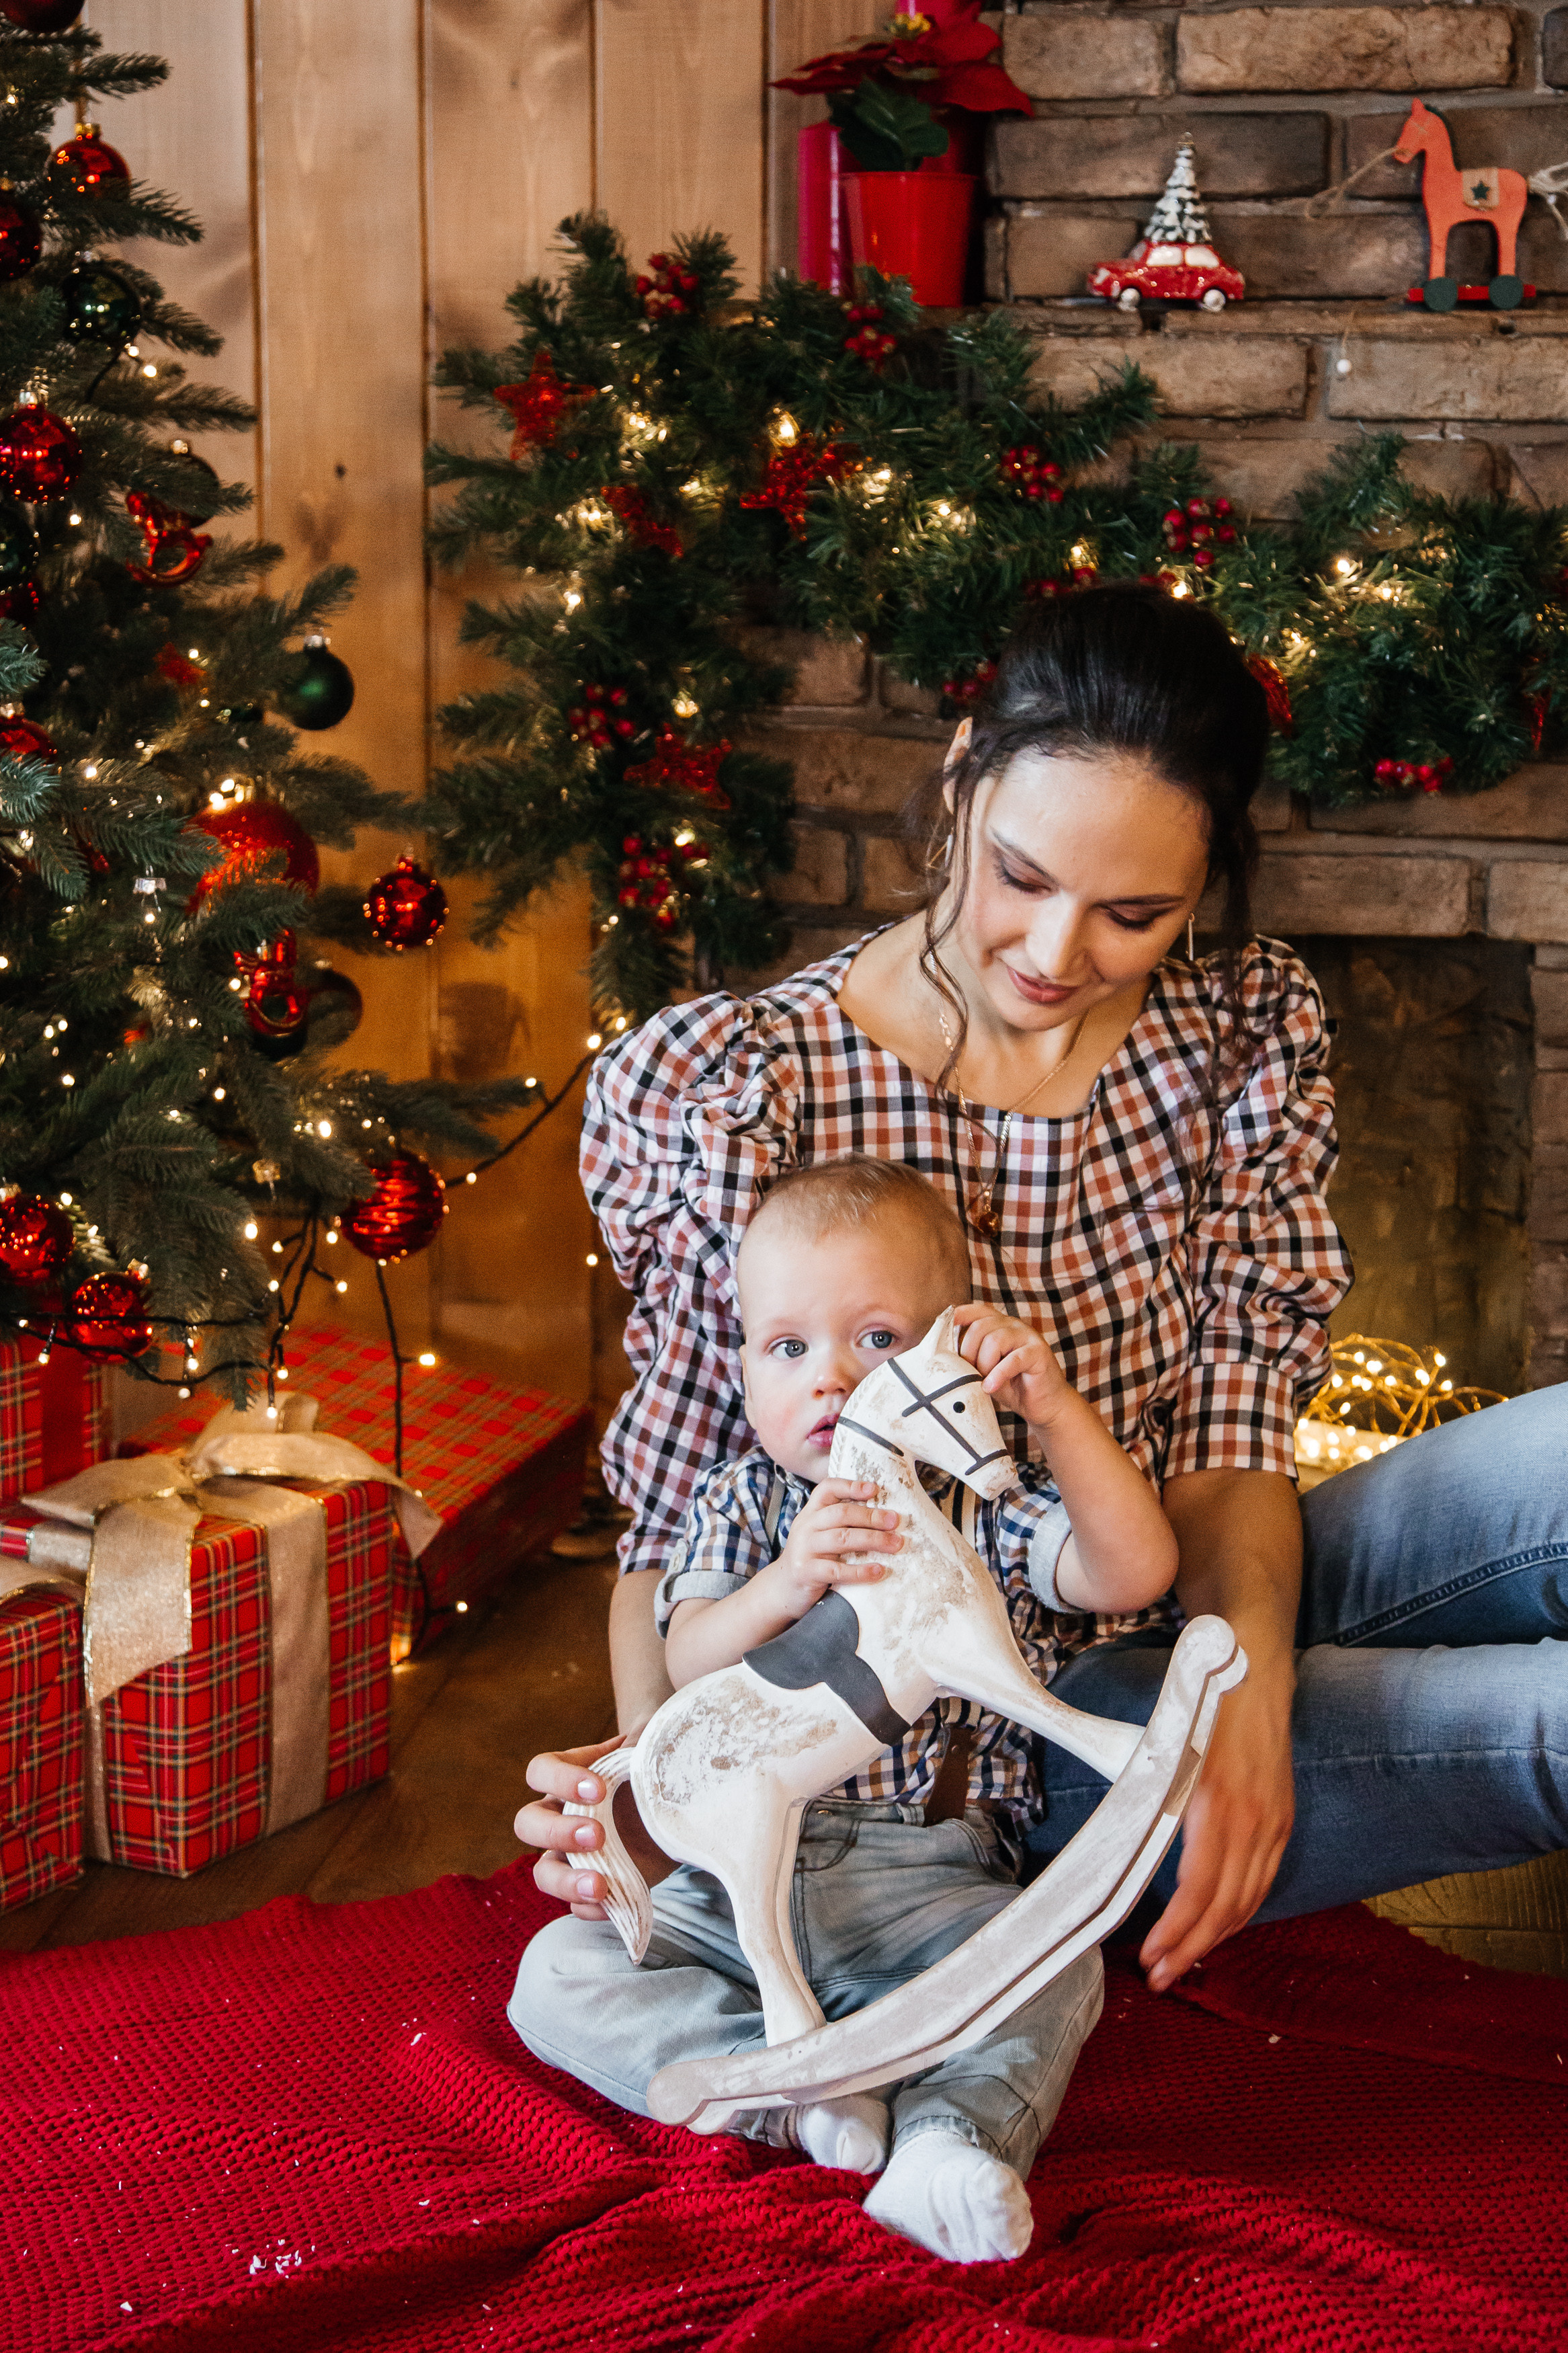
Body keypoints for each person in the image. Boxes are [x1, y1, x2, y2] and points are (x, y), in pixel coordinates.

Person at [519, 583, 1568, 2024]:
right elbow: (676, 1510)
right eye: (1018, 876)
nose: (1056, 953)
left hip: (1182, 1592)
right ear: (961, 780)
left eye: (1135, 913)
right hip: (998, 1762)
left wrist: (1245, 1699)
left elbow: (1229, 1442)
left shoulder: (1237, 1036)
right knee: (1544, 1721)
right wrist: (667, 1795)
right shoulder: (735, 1086)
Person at [510, 1154, 1179, 2264]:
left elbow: (1132, 1573)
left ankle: (943, 2145)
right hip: (727, 1886)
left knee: (1053, 1969)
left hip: (925, 1880)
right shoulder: (745, 1499)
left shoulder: (981, 1504)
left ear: (937, 1358)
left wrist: (1051, 1413)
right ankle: (797, 2090)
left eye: (874, 1341)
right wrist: (787, 1583)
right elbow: (689, 1660)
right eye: (788, 1348)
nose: (829, 1379)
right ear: (744, 1370)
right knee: (556, 1977)